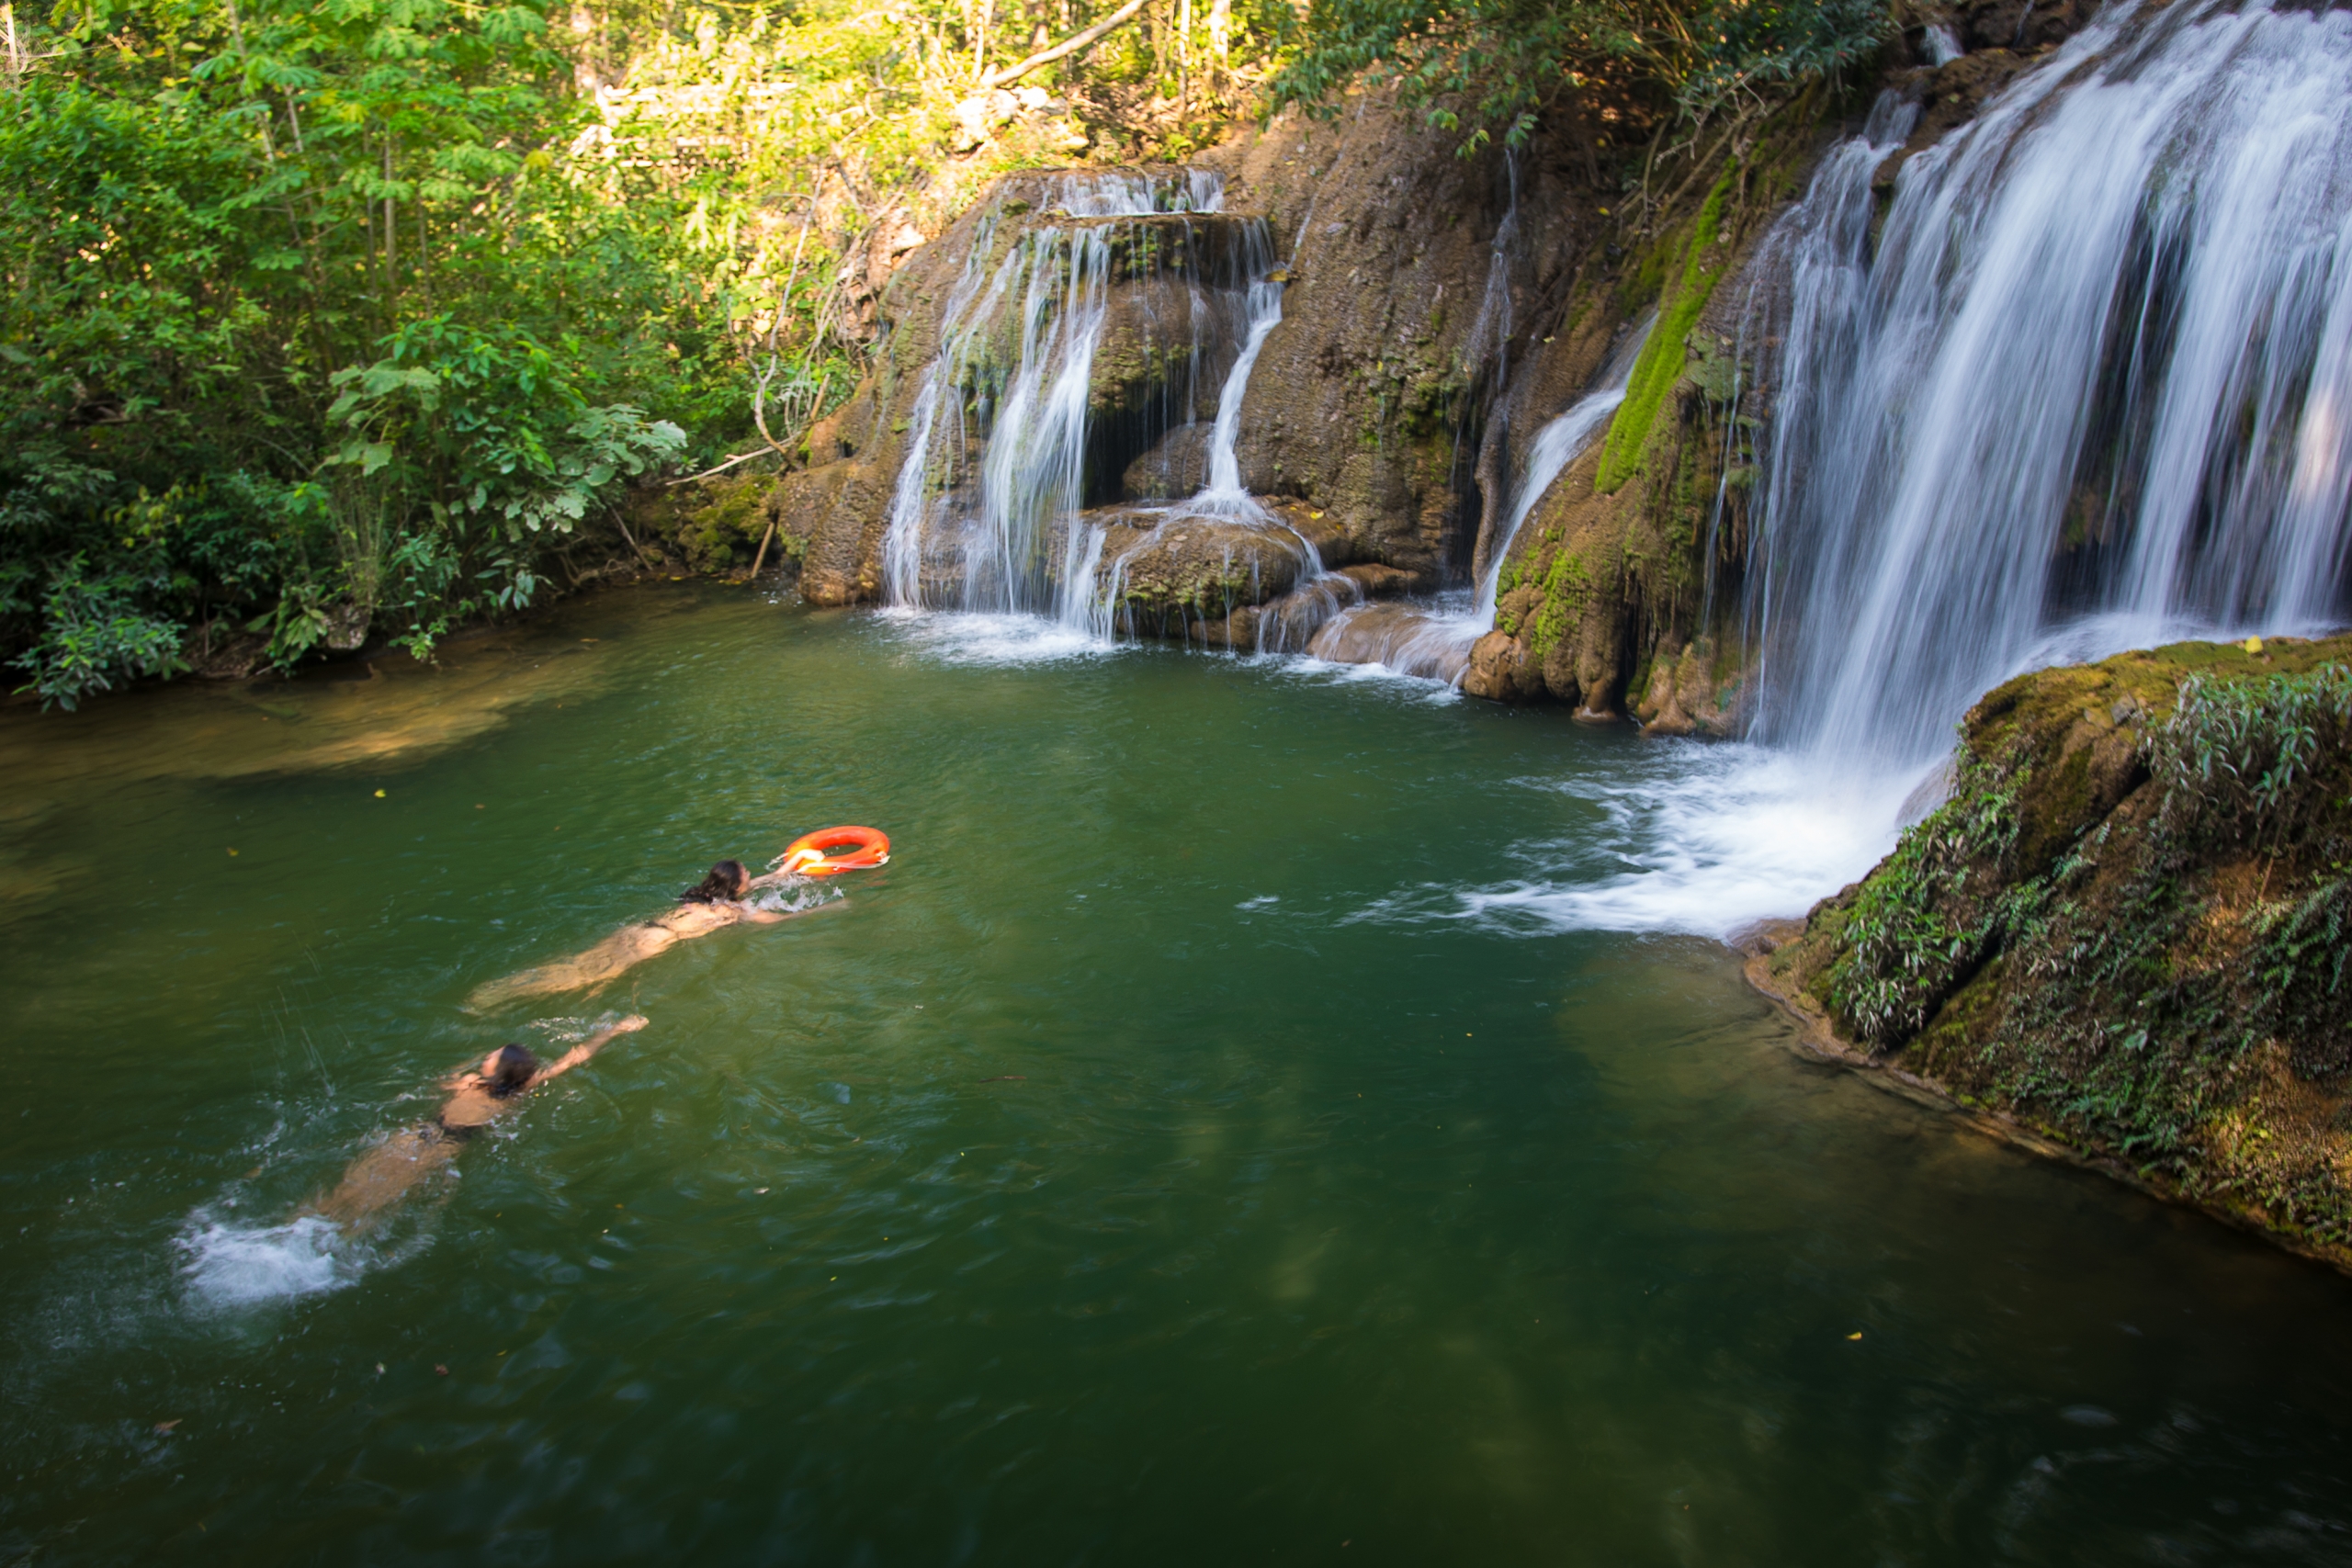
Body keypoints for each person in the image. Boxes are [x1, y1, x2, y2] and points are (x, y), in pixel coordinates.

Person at [307, 1015, 649, 1232]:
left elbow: (436, 1084)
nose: (486, 1056)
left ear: (498, 1071)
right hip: (446, 1152)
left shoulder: (470, 1083)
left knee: (349, 1191)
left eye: (491, 1056)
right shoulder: (523, 1089)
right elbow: (574, 1057)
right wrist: (616, 1029)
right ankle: (325, 1237)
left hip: (418, 1141)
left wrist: (455, 1076)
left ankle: (302, 1227)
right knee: (373, 1205)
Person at [466, 860, 805, 1010]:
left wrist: (792, 866)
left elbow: (765, 881)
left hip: (639, 929)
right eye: (746, 873)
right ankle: (499, 996)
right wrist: (828, 909)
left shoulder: (703, 896)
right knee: (581, 977)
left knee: (578, 967)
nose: (750, 874)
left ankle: (506, 988)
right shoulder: (729, 910)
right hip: (654, 943)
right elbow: (773, 920)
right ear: (734, 887)